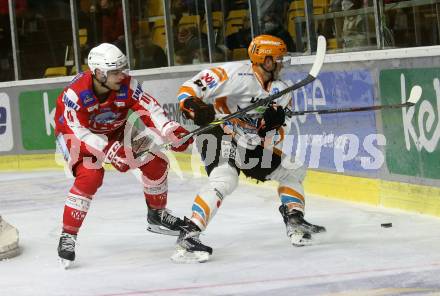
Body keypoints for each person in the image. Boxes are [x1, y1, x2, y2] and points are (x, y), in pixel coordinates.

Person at [172, 35, 326, 263]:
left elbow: (276, 135)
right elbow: (188, 90)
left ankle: (294, 220)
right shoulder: (233, 74)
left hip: (249, 143)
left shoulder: (282, 91)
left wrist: (270, 126)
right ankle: (189, 235)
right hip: (218, 132)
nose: (282, 63)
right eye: (279, 59)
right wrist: (195, 107)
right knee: (225, 179)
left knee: (292, 170)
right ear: (266, 60)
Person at [54, 43, 193, 268]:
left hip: (117, 131)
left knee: (157, 163)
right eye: (115, 72)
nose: (122, 75)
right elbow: (76, 130)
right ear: (99, 72)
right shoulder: (75, 93)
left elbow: (149, 109)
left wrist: (169, 129)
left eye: (123, 69)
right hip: (76, 137)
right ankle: (68, 235)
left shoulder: (128, 85)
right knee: (90, 177)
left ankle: (156, 214)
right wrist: (108, 151)